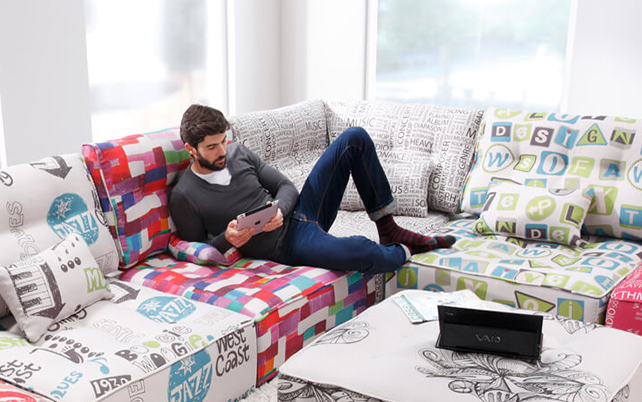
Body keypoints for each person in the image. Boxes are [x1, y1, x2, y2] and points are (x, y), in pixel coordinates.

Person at [168, 103, 455, 274]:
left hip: (303, 209)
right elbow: (197, 249)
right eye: (212, 147)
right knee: (360, 250)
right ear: (190, 149)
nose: (222, 151)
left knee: (354, 138)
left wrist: (278, 210)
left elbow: (285, 186)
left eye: (223, 141)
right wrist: (228, 239)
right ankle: (404, 251)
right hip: (288, 244)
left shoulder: (238, 153)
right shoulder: (185, 196)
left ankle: (388, 227)